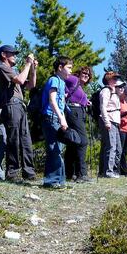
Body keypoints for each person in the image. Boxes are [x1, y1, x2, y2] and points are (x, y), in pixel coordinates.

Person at [0, 44, 38, 183]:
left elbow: (31, 85)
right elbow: (19, 80)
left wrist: (33, 69)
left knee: (25, 139)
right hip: (11, 105)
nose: (15, 56)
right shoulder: (2, 67)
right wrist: (27, 63)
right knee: (14, 139)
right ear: (3, 55)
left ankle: (29, 172)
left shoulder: (12, 70)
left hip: (19, 105)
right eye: (12, 53)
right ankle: (12, 173)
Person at [41, 56, 73, 189]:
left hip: (57, 118)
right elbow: (52, 100)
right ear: (60, 68)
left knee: (59, 149)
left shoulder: (62, 82)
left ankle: (60, 180)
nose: (71, 71)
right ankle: (51, 181)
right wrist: (61, 117)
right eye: (69, 67)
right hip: (51, 117)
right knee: (54, 149)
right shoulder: (54, 80)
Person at [64, 66, 94, 183]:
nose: (86, 75)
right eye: (84, 73)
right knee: (82, 141)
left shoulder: (80, 87)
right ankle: (81, 174)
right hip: (73, 111)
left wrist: (86, 102)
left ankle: (69, 173)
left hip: (78, 112)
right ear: (79, 73)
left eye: (88, 75)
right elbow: (62, 77)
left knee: (73, 142)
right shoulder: (73, 80)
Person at [98, 71, 124, 179]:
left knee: (118, 148)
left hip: (115, 122)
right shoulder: (106, 91)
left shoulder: (114, 92)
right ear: (108, 80)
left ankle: (113, 170)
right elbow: (103, 107)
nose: (116, 80)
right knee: (111, 146)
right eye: (114, 78)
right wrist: (107, 122)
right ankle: (108, 172)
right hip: (109, 121)